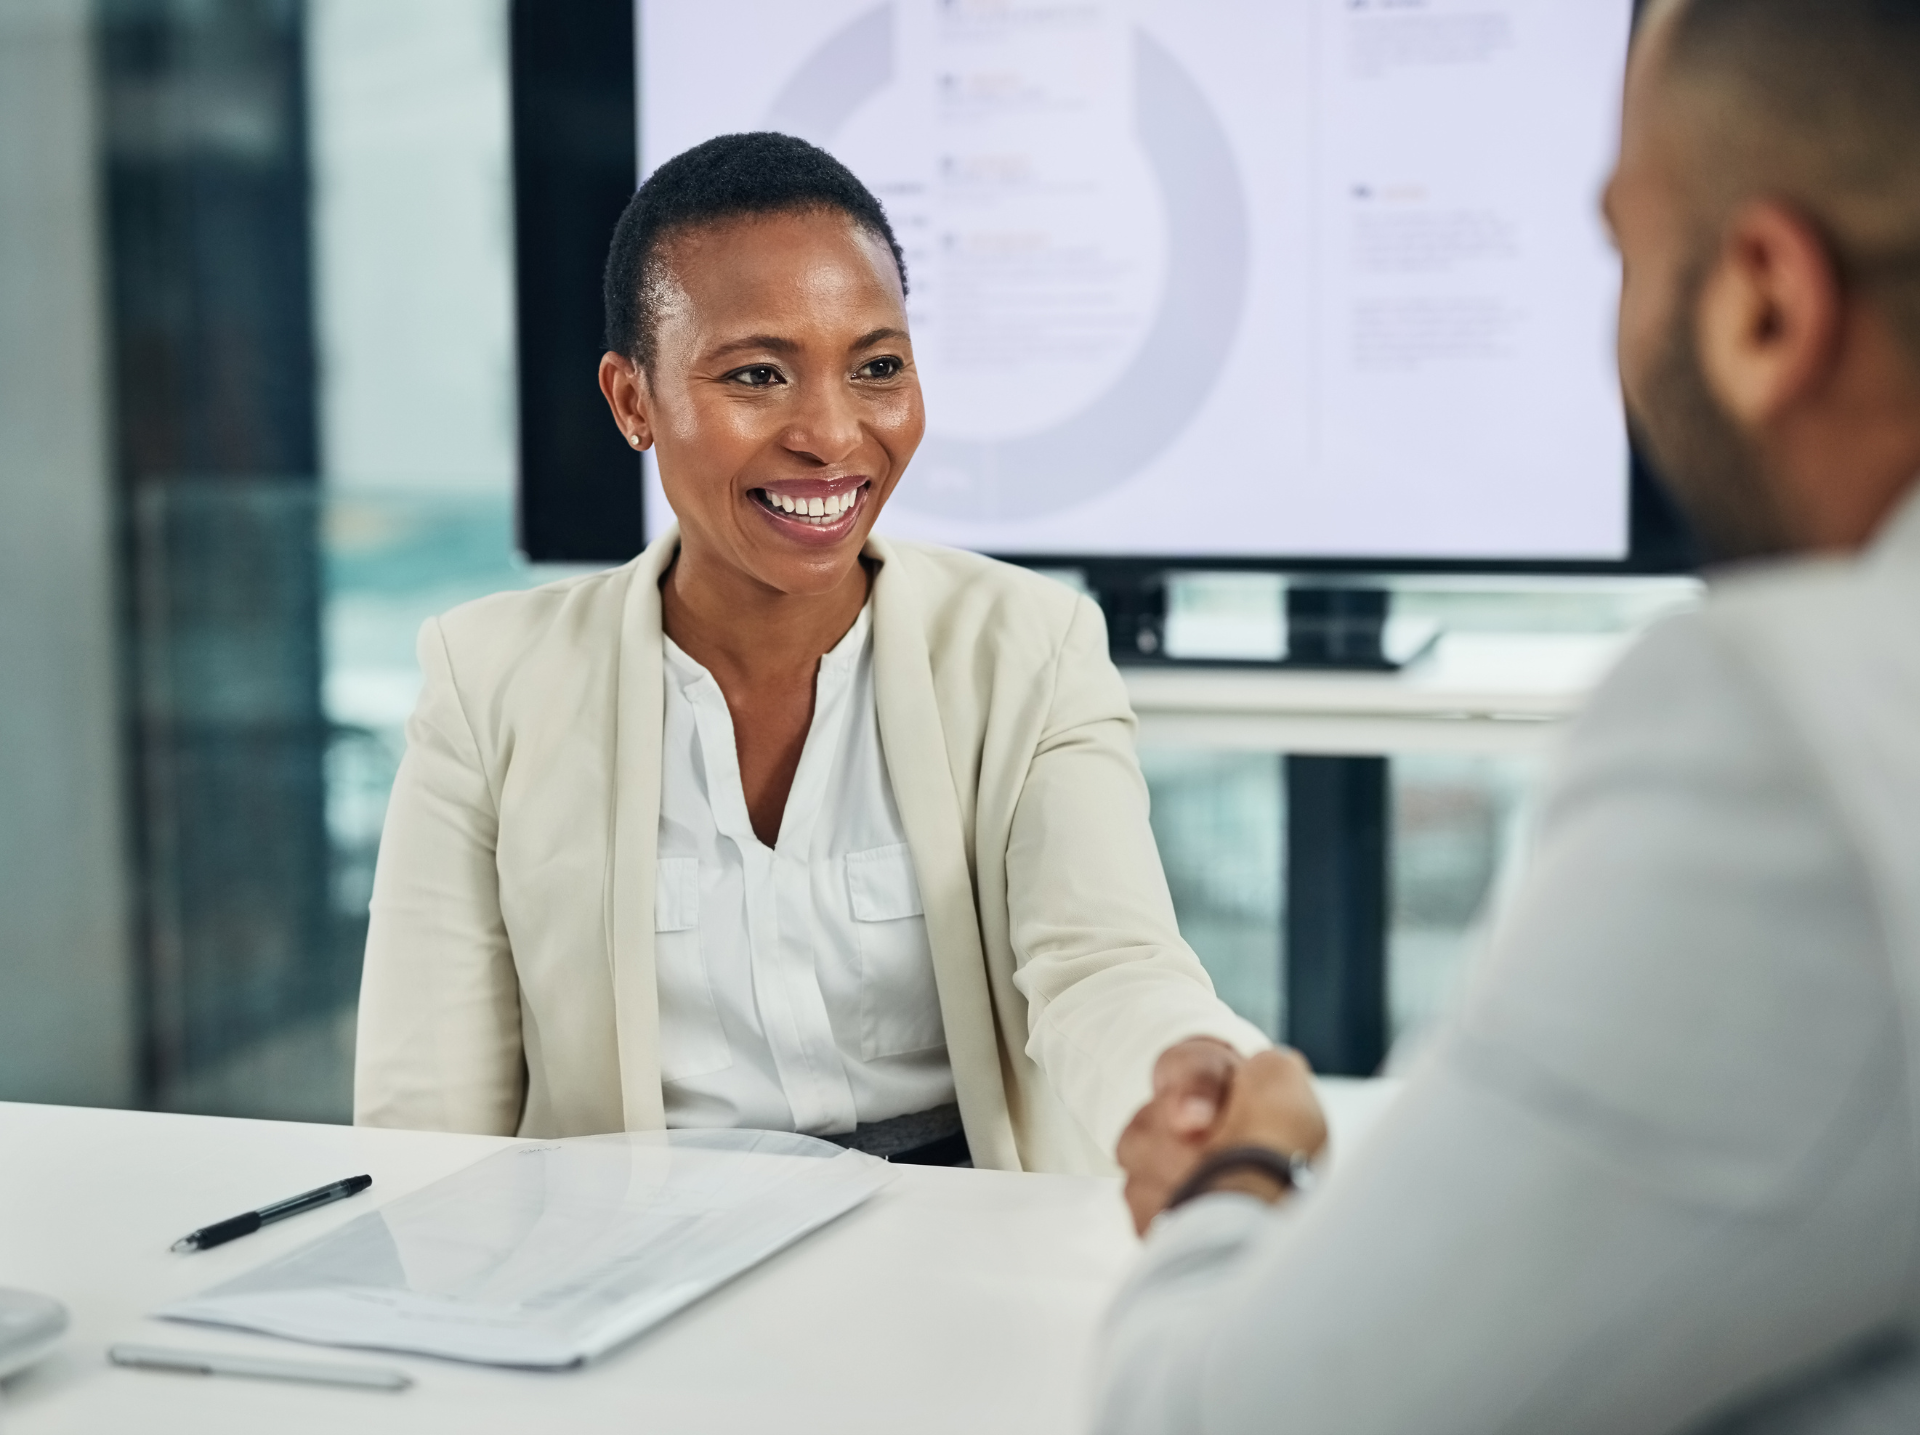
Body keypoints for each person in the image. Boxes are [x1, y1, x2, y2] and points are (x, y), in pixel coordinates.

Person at [1100, 0, 1920, 1428]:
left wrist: (1246, 1175)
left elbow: (1224, 1414)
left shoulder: (1797, 734)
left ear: (1766, 302)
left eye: (1626, 246)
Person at [352, 132, 1267, 1173]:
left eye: (877, 367)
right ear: (633, 401)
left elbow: (1104, 964)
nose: (832, 433)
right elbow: (425, 1112)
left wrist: (1194, 1072)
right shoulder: (489, 683)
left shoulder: (1030, 646)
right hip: (630, 1249)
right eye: (758, 374)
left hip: (957, 1235)